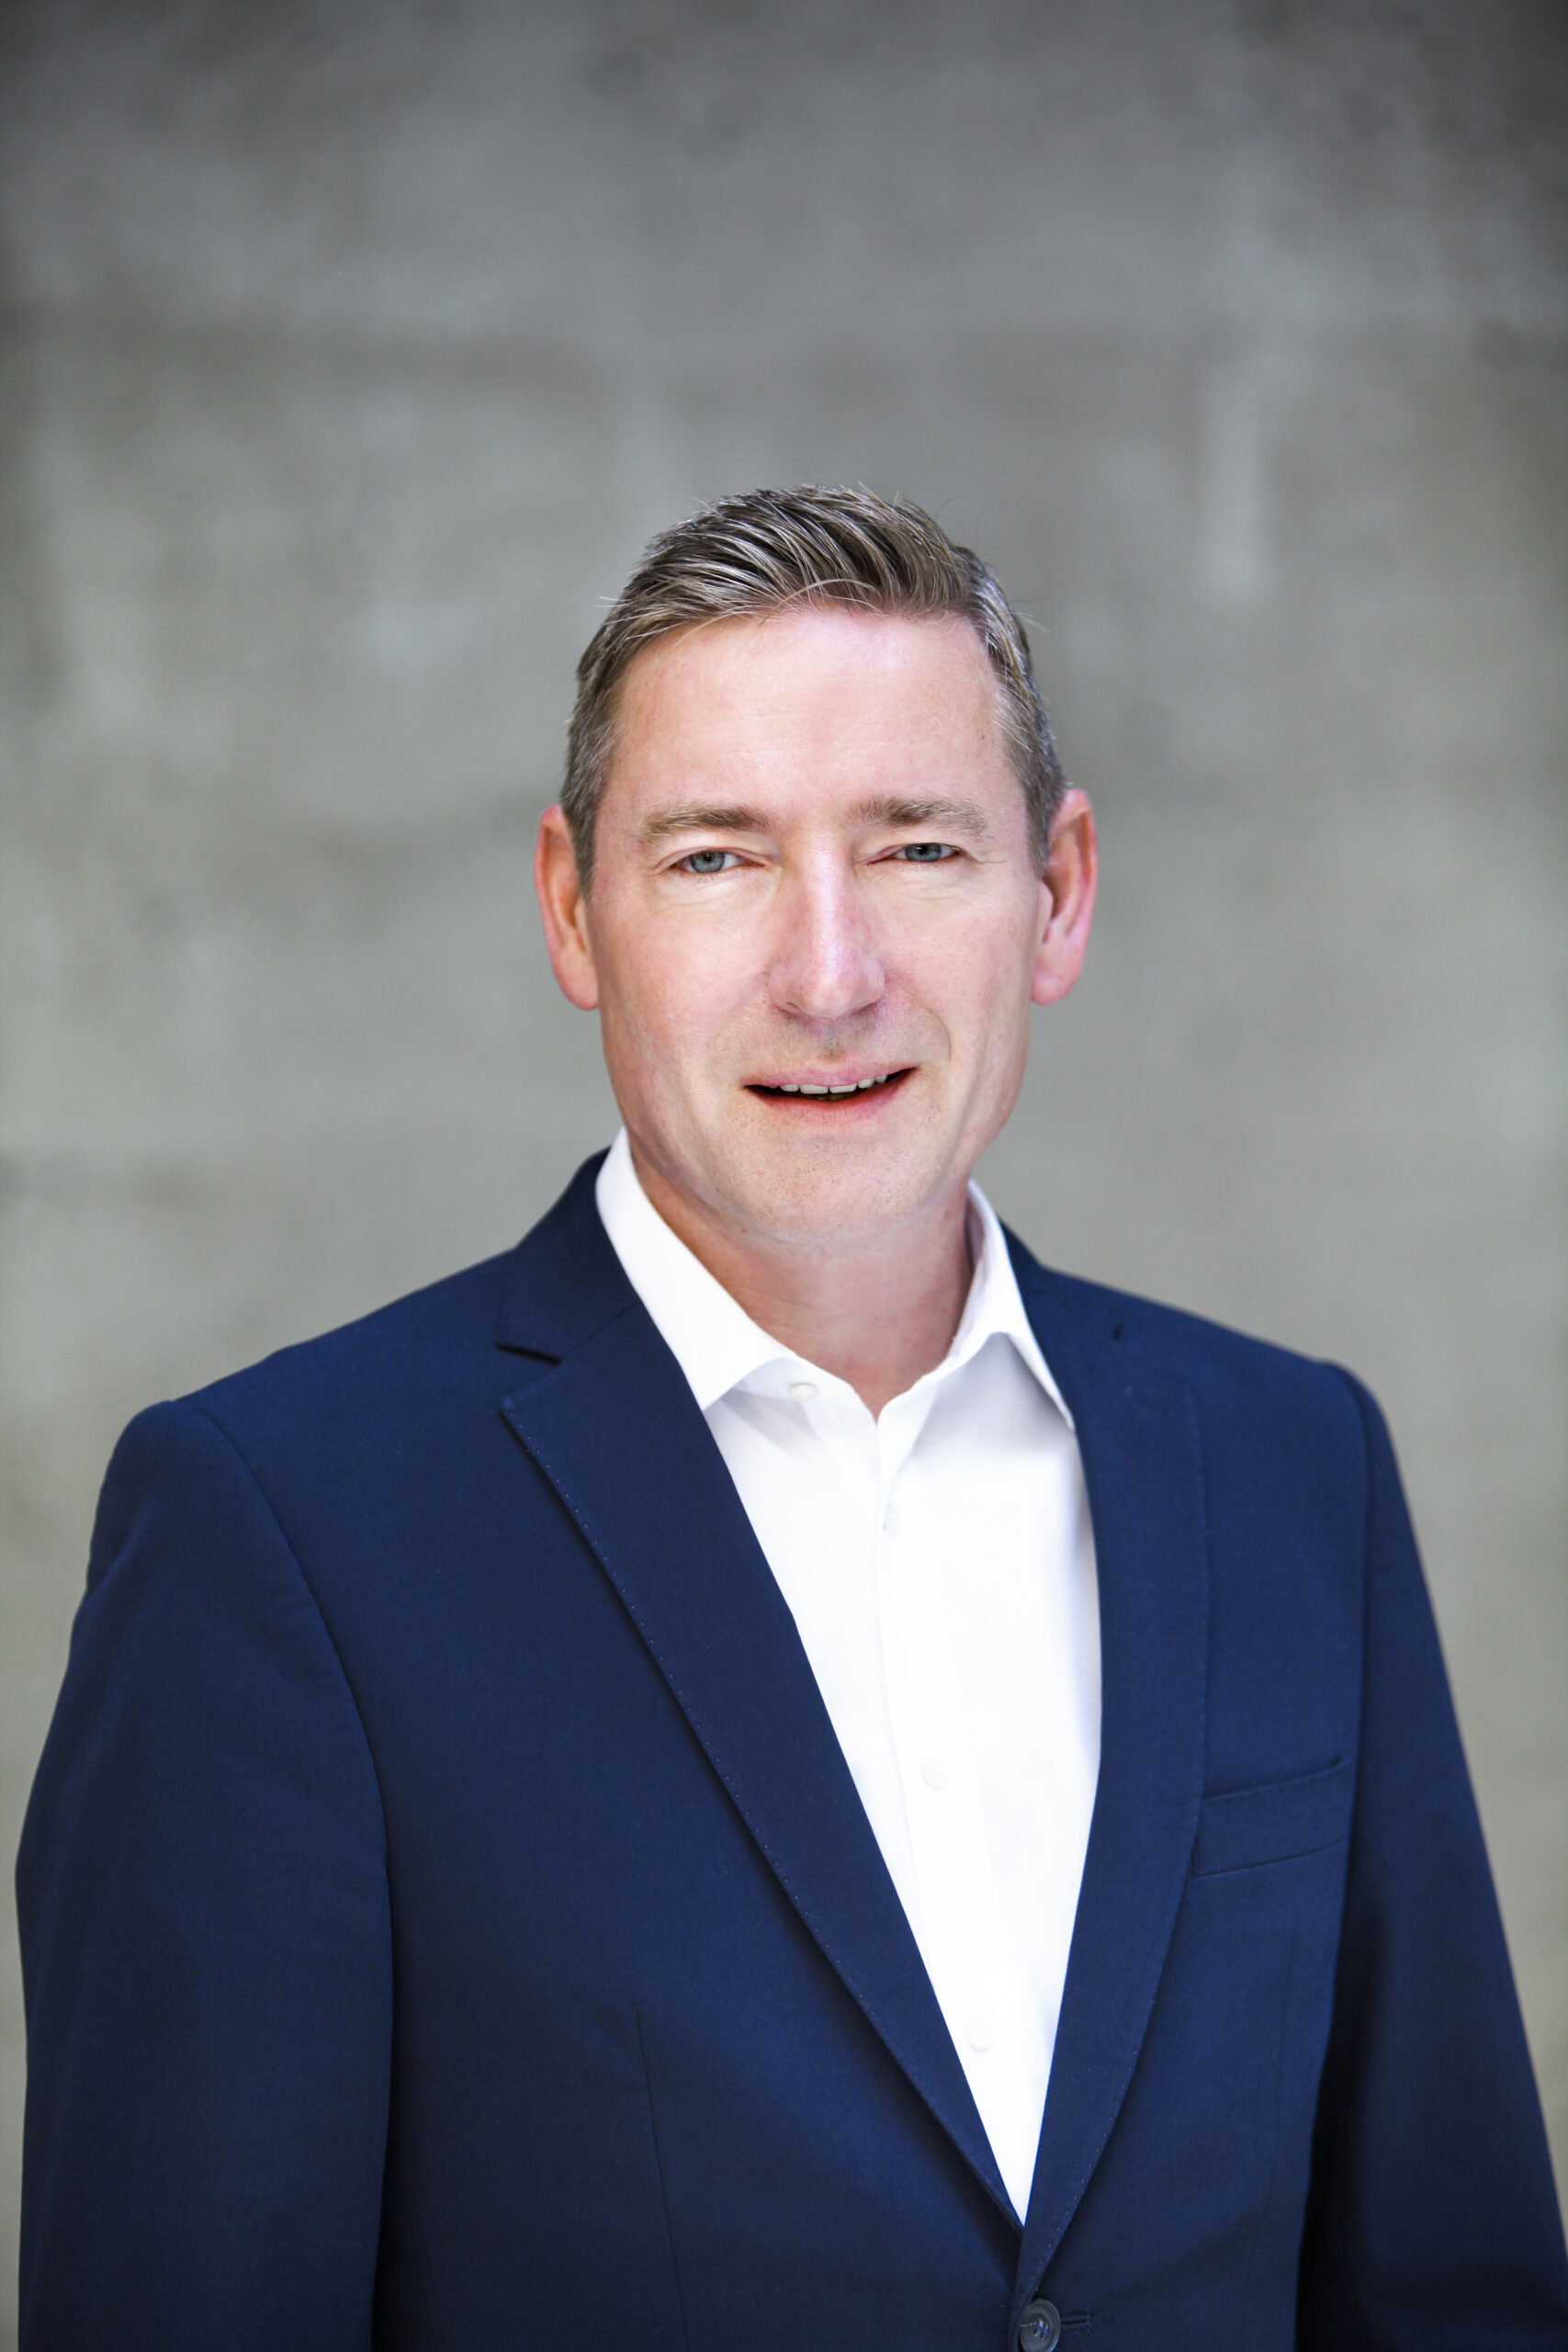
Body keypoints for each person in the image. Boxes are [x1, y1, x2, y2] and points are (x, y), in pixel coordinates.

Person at [17, 486, 1567, 2351]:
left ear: (1058, 891)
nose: (830, 975)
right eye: (715, 858)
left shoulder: (1293, 1466)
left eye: (916, 847)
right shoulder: (274, 1535)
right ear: (571, 909)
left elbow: (1453, 2292)